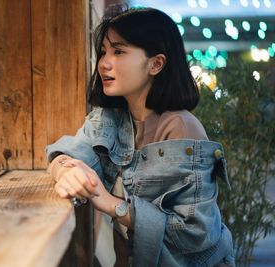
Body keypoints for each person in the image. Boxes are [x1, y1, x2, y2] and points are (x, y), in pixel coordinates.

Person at [46, 6, 235, 267]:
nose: (104, 63)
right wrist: (64, 170)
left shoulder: (181, 127)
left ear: (156, 64)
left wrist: (111, 204)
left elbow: (193, 233)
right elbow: (68, 153)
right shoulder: (111, 118)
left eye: (119, 51)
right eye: (103, 52)